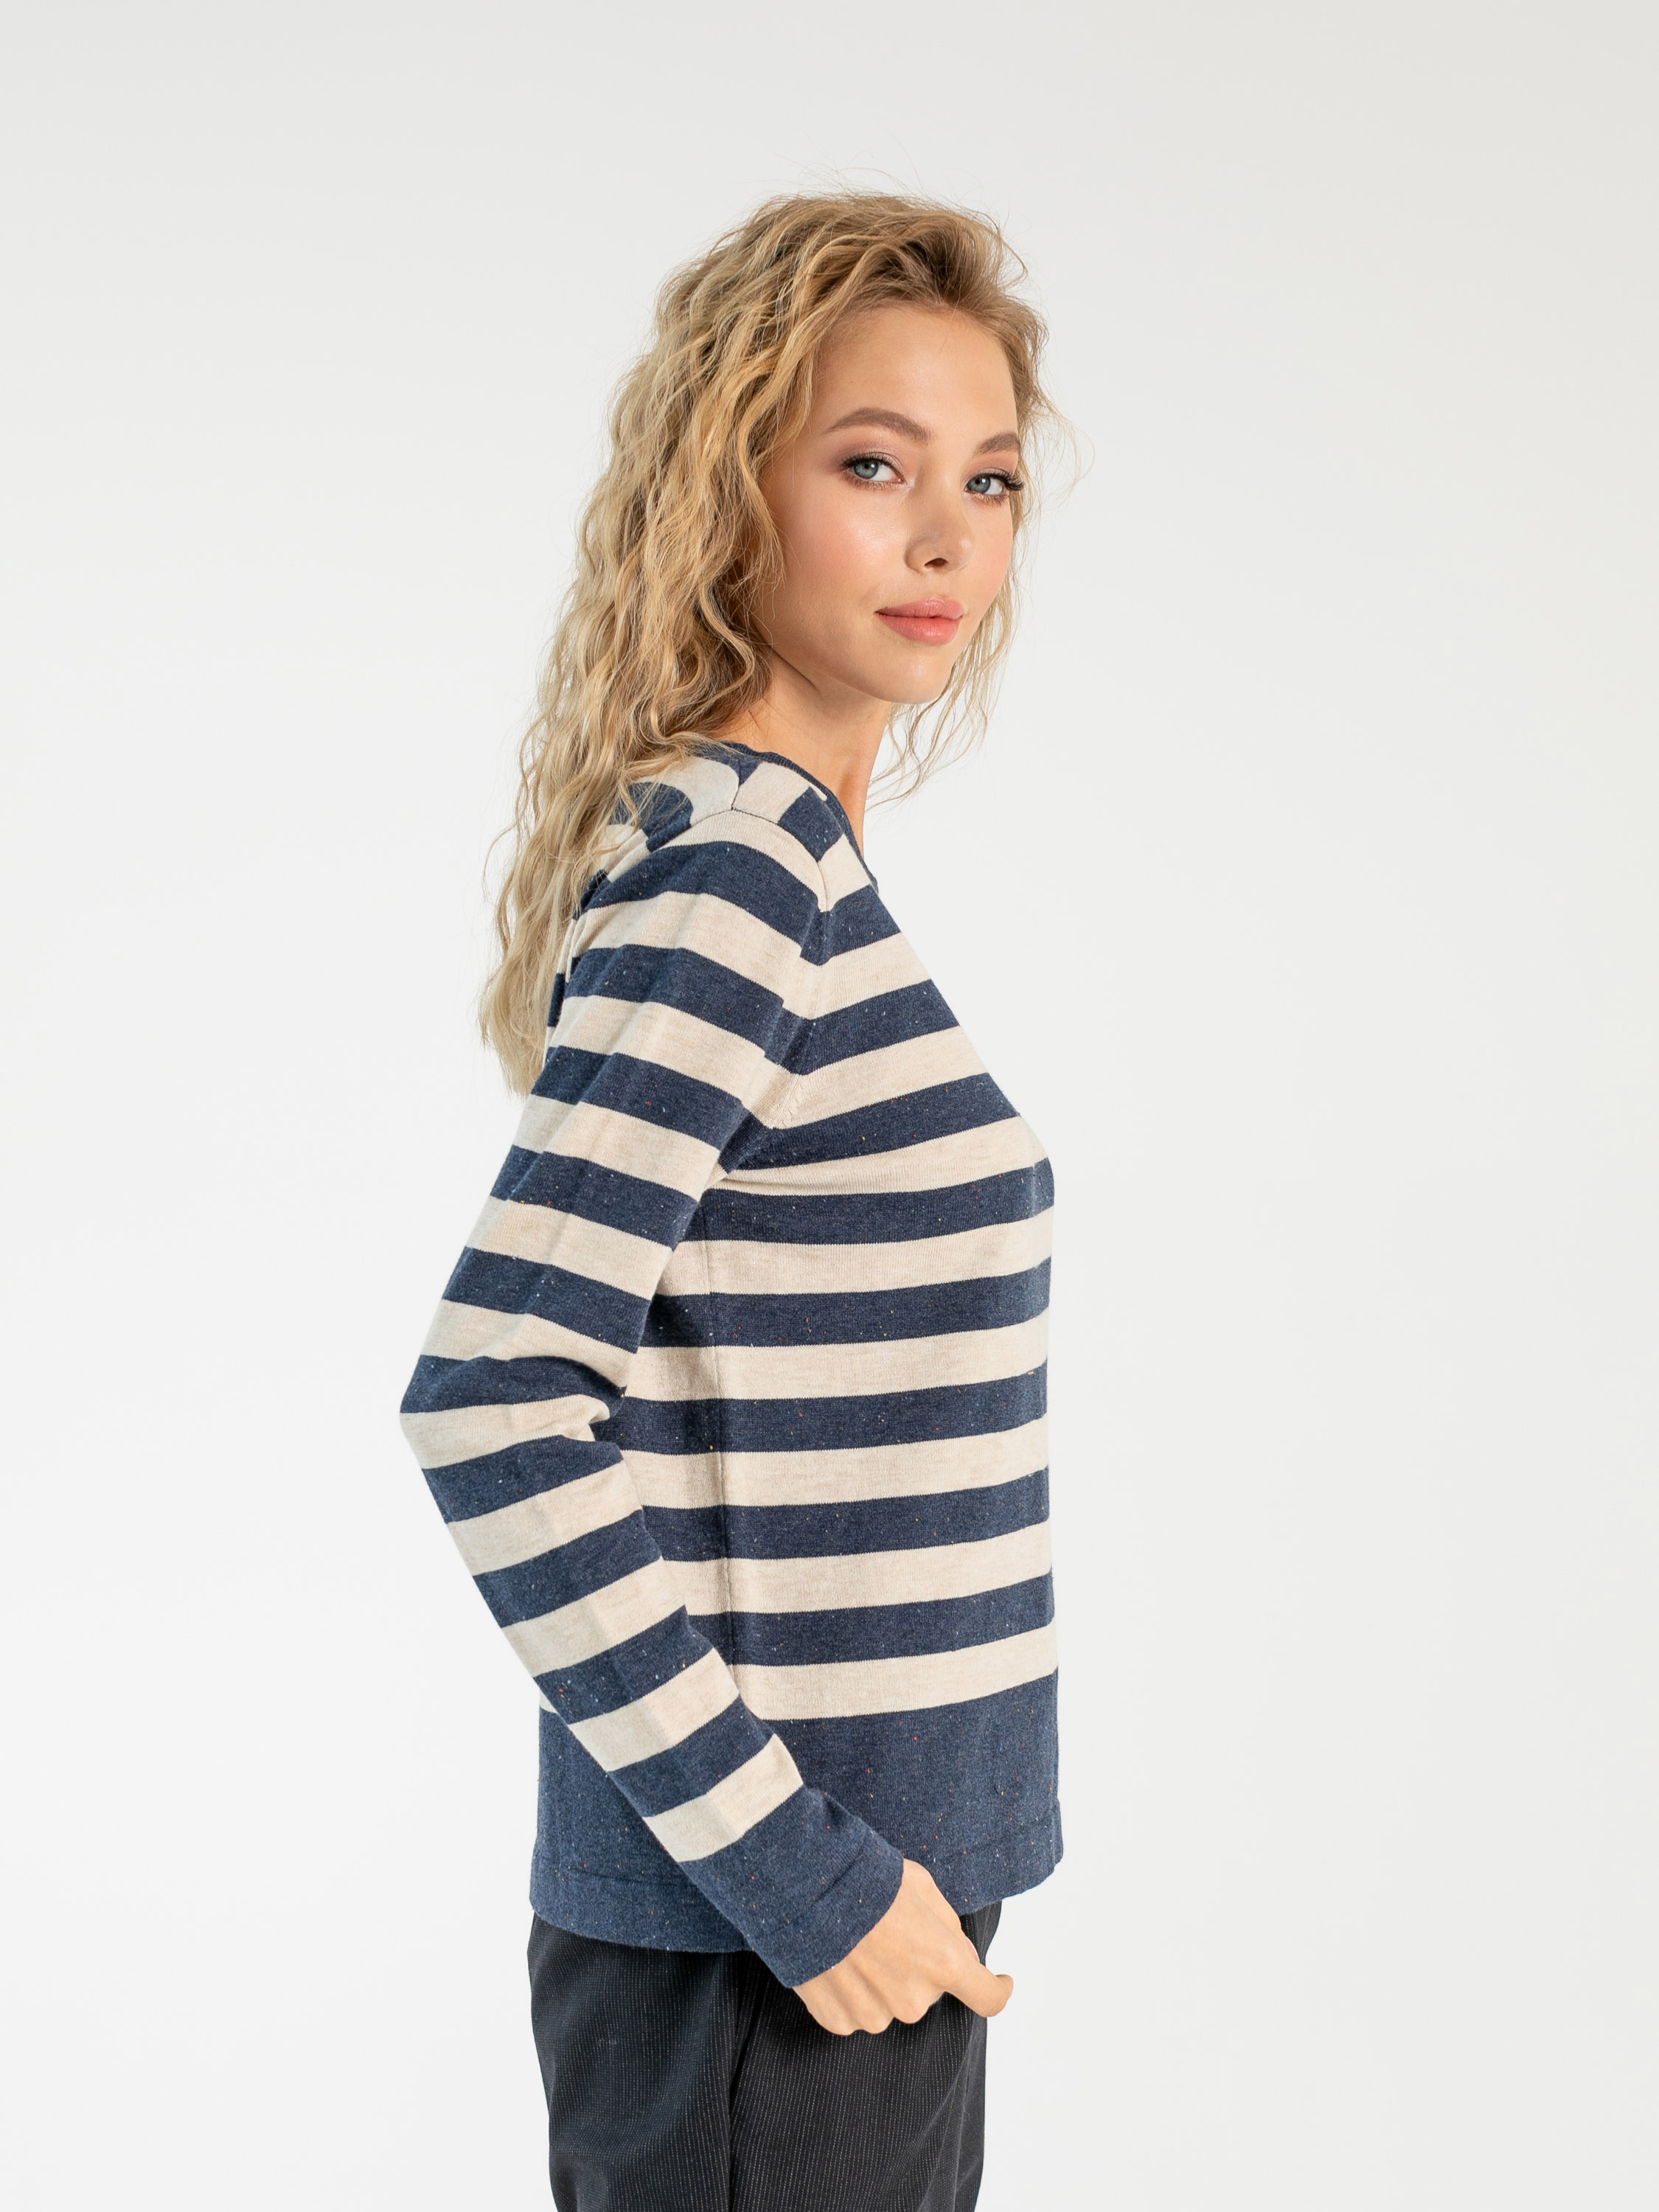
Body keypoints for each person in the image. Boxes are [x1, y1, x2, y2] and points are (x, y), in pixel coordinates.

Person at [400, 190, 1062, 2212]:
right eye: (872, 465)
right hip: (770, 1936)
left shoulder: (786, 866)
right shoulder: (737, 875)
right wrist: (805, 1880)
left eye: (989, 478)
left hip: (840, 1916)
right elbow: (496, 1401)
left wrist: (852, 1892)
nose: (946, 535)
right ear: (728, 488)